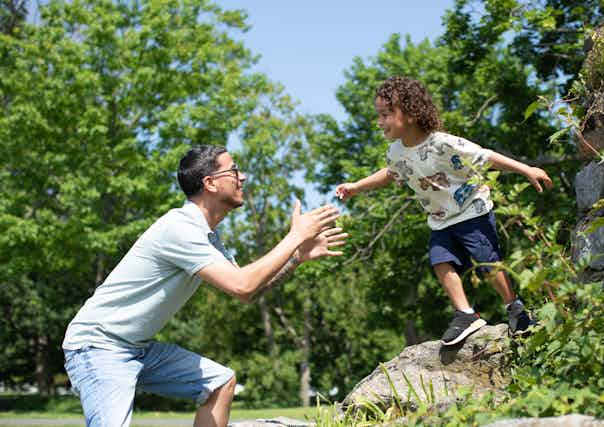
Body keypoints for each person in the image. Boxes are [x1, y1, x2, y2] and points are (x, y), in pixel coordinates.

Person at [62, 145, 346, 427]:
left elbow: (250, 290)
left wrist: (296, 257)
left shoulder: (208, 236)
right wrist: (294, 237)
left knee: (220, 383)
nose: (242, 177)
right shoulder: (180, 228)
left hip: (137, 348)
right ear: (209, 183)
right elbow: (243, 285)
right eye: (234, 170)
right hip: (98, 346)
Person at [335, 76, 552, 346]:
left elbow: (485, 156)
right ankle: (465, 314)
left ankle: (515, 309)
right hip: (440, 219)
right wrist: (357, 186)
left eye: (386, 114)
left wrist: (526, 169)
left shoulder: (442, 143)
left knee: (487, 263)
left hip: (471, 209)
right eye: (379, 115)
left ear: (411, 113)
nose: (380, 122)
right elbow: (390, 174)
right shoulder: (396, 153)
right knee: (440, 261)